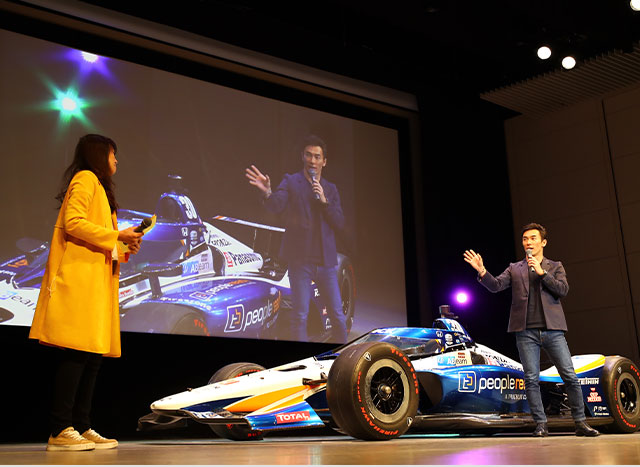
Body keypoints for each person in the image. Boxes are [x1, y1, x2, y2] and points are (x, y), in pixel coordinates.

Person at [29, 134, 144, 451]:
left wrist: (124, 244)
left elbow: (99, 238)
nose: (116, 160)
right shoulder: (85, 179)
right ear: (99, 155)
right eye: (113, 154)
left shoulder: (100, 187)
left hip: (95, 280)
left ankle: (81, 425)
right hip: (78, 279)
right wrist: (117, 235)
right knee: (77, 353)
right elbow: (73, 222)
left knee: (92, 355)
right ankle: (60, 428)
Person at [463, 222, 599, 437]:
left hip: (553, 330)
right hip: (526, 332)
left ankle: (580, 423)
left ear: (543, 242)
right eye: (525, 239)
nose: (528, 242)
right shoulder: (515, 268)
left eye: (533, 238)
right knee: (531, 379)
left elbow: (563, 290)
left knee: (569, 376)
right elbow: (496, 285)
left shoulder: (555, 266)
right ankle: (541, 424)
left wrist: (543, 273)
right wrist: (482, 271)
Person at [245, 134, 348, 342]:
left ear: (324, 161)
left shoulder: (330, 189)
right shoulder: (291, 182)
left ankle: (344, 356)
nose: (312, 160)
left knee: (337, 315)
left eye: (317, 156)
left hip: (326, 264)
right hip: (300, 262)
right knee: (300, 316)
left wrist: (324, 201)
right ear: (302, 157)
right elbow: (276, 206)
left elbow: (339, 222)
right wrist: (267, 192)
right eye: (309, 155)